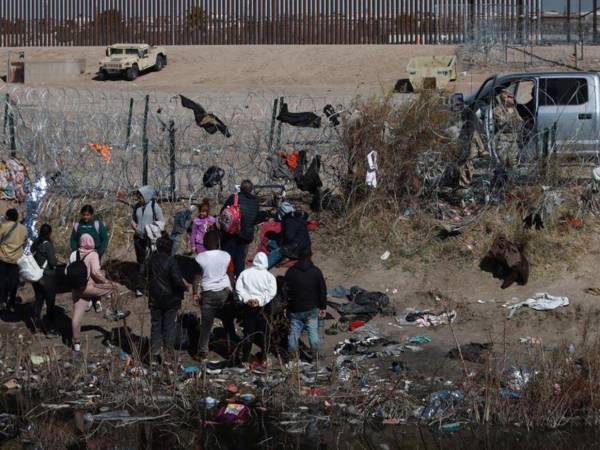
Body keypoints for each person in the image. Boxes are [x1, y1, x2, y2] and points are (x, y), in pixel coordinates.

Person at [70, 234, 128, 352]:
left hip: (76, 290)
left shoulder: (74, 254)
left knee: (76, 318)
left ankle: (76, 343)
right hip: (88, 287)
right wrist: (107, 281)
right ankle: (116, 311)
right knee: (114, 288)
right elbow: (96, 273)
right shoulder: (93, 254)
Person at [146, 236, 189, 362]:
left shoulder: (150, 260)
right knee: (169, 327)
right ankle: (168, 355)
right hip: (171, 300)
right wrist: (184, 287)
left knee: (156, 325)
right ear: (169, 247)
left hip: (154, 299)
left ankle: (154, 354)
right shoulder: (171, 261)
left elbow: (142, 275)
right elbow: (176, 280)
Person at [193, 230, 234, 360]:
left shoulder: (200, 257)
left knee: (206, 325)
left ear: (205, 243)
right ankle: (231, 350)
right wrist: (231, 289)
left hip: (208, 294)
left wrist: (195, 293)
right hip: (224, 293)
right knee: (228, 323)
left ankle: (202, 353)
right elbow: (231, 274)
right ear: (218, 242)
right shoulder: (226, 256)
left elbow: (196, 278)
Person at [284, 247, 327, 358]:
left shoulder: (291, 272)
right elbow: (322, 290)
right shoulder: (316, 271)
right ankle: (315, 356)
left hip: (295, 308)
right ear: (310, 256)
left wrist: (286, 306)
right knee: (313, 332)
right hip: (312, 308)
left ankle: (292, 356)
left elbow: (285, 290)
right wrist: (323, 307)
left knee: (294, 333)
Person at [235, 252, 277, 365]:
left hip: (248, 308)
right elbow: (272, 292)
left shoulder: (245, 273)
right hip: (263, 309)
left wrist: (247, 299)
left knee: (248, 333)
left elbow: (239, 288)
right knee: (264, 333)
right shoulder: (269, 276)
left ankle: (245, 358)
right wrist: (260, 301)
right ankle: (263, 358)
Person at [221, 180, 259, 277]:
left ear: (240, 188)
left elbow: (223, 212)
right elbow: (256, 217)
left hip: (232, 233)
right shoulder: (255, 201)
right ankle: (239, 280)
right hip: (246, 234)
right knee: (240, 258)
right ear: (251, 190)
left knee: (229, 257)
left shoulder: (234, 197)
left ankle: (228, 279)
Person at [131, 185, 165, 297]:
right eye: (138, 196)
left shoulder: (155, 206)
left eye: (140, 196)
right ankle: (146, 285)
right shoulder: (137, 206)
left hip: (150, 240)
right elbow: (133, 219)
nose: (139, 198)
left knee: (147, 263)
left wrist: (151, 229)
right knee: (141, 262)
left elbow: (161, 222)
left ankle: (143, 287)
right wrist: (134, 225)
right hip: (138, 238)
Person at [31, 224, 59, 335]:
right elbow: (52, 262)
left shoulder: (36, 243)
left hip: (36, 276)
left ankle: (35, 326)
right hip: (47, 276)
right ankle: (50, 329)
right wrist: (56, 261)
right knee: (50, 303)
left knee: (39, 301)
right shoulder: (48, 245)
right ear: (49, 233)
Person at [267, 202, 311, 269]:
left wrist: (282, 244)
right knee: (272, 243)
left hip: (296, 247)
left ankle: (262, 268)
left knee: (276, 252)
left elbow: (289, 237)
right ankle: (286, 256)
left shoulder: (289, 221)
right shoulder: (299, 219)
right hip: (306, 247)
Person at [0, 209, 27, 312]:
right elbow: (24, 243)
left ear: (7, 217)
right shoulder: (23, 229)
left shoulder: (3, 226)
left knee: (2, 280)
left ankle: (2, 300)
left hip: (3, 258)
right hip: (16, 260)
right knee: (14, 282)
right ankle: (11, 303)